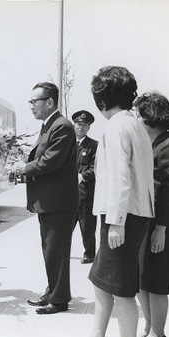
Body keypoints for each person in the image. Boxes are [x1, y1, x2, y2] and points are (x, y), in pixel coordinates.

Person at [67, 66, 154, 337]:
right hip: (133, 214)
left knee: (122, 290)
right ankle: (96, 336)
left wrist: (116, 222)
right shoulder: (136, 124)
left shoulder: (116, 127)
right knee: (101, 278)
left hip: (122, 216)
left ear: (101, 100)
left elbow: (119, 176)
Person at [13, 82, 78, 315]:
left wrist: (23, 168)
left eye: (34, 101)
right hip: (50, 202)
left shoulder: (62, 127)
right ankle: (53, 291)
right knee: (50, 250)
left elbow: (50, 161)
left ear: (49, 102)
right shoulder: (49, 126)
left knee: (56, 251)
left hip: (59, 202)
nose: (31, 106)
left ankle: (59, 300)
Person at [134, 92, 169, 337]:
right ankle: (148, 328)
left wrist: (162, 229)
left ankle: (158, 334)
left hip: (161, 225)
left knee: (156, 282)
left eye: (139, 115)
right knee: (143, 279)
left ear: (151, 118)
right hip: (148, 223)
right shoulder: (153, 144)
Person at [72, 110, 98, 264]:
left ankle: (89, 254)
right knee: (66, 227)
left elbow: (96, 167)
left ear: (88, 128)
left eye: (84, 125)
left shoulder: (94, 145)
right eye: (78, 124)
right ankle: (63, 252)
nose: (80, 127)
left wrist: (82, 176)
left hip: (85, 193)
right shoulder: (67, 145)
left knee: (87, 227)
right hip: (68, 194)